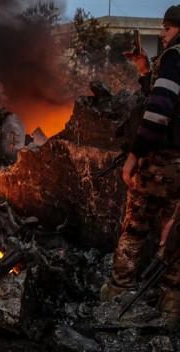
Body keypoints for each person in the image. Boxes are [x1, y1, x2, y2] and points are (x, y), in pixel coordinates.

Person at [100, 5, 180, 331]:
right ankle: (172, 306)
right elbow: (165, 98)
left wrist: (135, 154)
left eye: (167, 28)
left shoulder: (175, 57)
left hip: (164, 161)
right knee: (174, 232)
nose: (161, 34)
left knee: (137, 222)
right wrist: (146, 72)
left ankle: (118, 290)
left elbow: (160, 111)